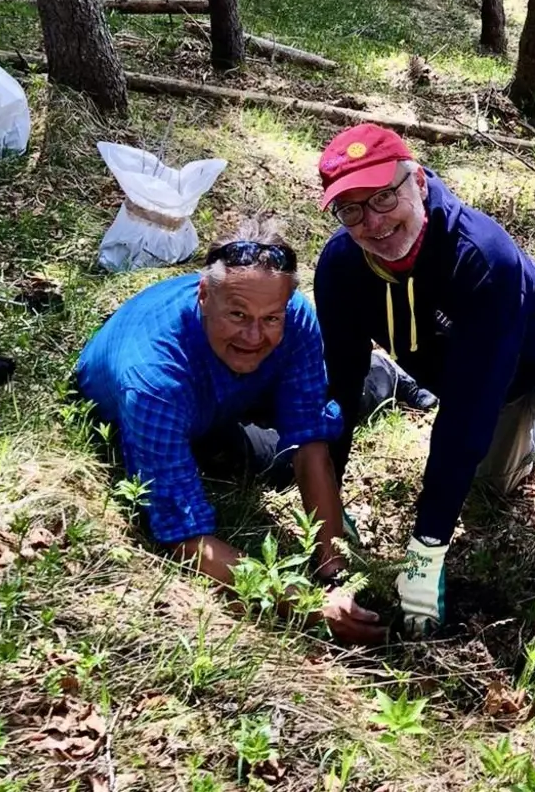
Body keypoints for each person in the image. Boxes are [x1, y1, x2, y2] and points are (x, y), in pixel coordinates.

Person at [312, 123, 535, 636]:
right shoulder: (341, 269)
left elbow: (464, 413)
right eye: (352, 209)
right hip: (493, 385)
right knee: (490, 486)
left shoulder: (481, 255)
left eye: (382, 197)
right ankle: (519, 446)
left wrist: (426, 550)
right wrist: (325, 507)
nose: (374, 222)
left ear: (417, 181)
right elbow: (340, 384)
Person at [74, 215, 385, 644]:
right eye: (237, 314)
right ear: (204, 295)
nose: (254, 334)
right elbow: (184, 538)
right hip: (168, 412)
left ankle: (384, 377)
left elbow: (311, 443)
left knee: (336, 403)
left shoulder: (293, 317)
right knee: (266, 463)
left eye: (270, 317)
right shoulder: (154, 380)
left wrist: (334, 570)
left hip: (234, 391)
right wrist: (302, 603)